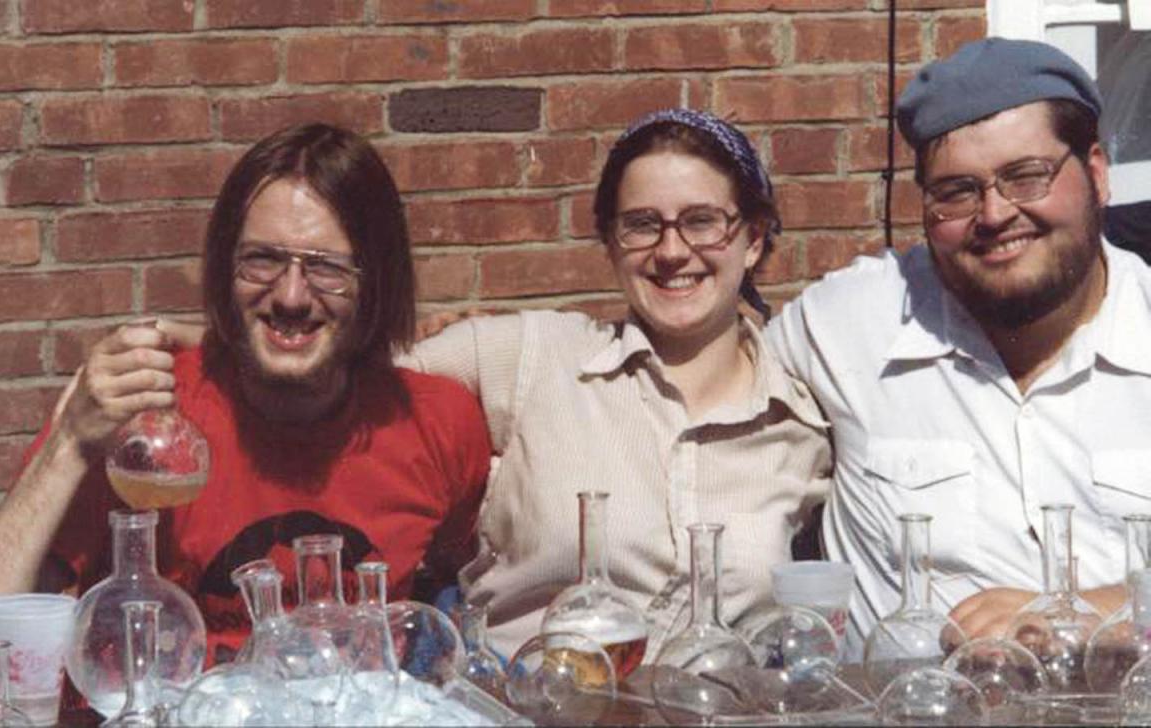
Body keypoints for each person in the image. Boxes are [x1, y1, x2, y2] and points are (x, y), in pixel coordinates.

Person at [0, 122, 491, 693]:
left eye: (327, 268)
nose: (290, 296)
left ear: (376, 281)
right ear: (224, 266)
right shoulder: (138, 421)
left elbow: (463, 587)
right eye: (262, 260)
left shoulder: (438, 422)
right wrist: (68, 444)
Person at [401, 108, 831, 659]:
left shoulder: (801, 422)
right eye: (642, 224)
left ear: (752, 238)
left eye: (702, 221)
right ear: (610, 243)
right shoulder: (534, 356)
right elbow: (347, 381)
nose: (672, 251)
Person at [765, 37, 1140, 659]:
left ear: (1096, 173)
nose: (994, 214)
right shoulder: (847, 325)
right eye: (957, 192)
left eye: (1026, 176)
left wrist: (1091, 610)